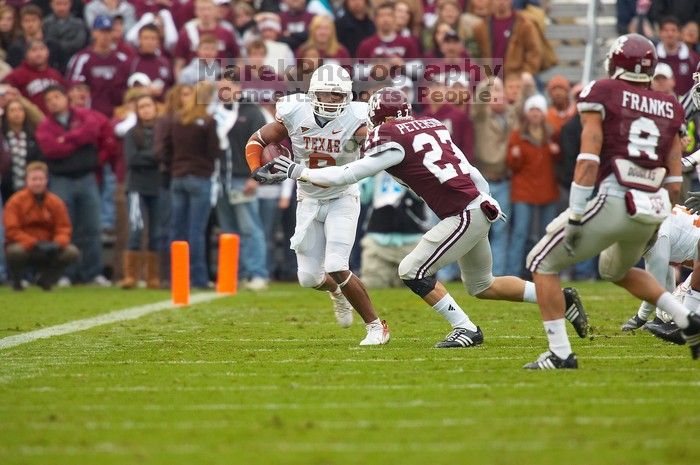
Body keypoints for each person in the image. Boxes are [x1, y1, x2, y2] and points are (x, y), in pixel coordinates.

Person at [267, 87, 587, 348]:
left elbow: (348, 174)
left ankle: (466, 329)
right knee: (482, 285)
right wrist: (484, 199)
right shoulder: (432, 125)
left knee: (412, 270)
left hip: (461, 213)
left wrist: (298, 170)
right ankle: (558, 297)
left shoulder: (389, 136)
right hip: (478, 204)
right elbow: (471, 170)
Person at [525, 34, 700, 369]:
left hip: (615, 198)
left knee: (540, 262)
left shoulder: (603, 91)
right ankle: (686, 318)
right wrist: (657, 217)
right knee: (614, 269)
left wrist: (576, 212)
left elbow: (589, 158)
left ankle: (560, 353)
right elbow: (675, 180)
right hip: (654, 207)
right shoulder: (671, 106)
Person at [245, 63, 390, 346]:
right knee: (309, 278)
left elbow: (380, 145)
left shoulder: (357, 119)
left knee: (336, 263)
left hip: (342, 197)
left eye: (337, 96)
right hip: (308, 199)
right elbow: (257, 140)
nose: (331, 100)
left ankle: (375, 326)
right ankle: (337, 293)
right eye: (325, 94)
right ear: (313, 93)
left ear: (347, 97)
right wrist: (255, 168)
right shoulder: (294, 112)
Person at [35, 85, 109, 285]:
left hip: (87, 178)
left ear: (65, 97)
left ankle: (93, 273)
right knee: (65, 228)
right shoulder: (44, 126)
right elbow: (51, 149)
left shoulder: (85, 115)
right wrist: (76, 140)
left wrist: (66, 139)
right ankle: (67, 274)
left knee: (93, 228)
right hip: (61, 180)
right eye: (49, 100)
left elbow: (92, 132)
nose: (54, 102)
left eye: (57, 97)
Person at [158, 82, 220, 289]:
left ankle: (175, 277)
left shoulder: (175, 121)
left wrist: (172, 166)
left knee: (177, 230)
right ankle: (199, 278)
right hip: (200, 178)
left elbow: (164, 149)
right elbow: (214, 150)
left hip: (178, 177)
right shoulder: (208, 121)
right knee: (196, 231)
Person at [213, 77, 270, 291]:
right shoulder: (216, 112)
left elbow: (264, 146)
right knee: (228, 230)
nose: (224, 92)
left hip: (241, 178)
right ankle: (236, 274)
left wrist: (254, 176)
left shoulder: (251, 112)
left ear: (238, 87)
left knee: (250, 227)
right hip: (219, 180)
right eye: (220, 88)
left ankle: (257, 273)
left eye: (228, 87)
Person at [620, 205, 700, 342]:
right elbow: (665, 272)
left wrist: (640, 318)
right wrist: (660, 318)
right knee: (667, 311)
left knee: (675, 312)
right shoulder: (655, 218)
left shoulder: (658, 235)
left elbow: (655, 286)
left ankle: (684, 327)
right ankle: (665, 320)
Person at [506, 94, 560, 278]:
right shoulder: (517, 135)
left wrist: (556, 153)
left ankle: (546, 271)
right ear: (527, 113)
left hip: (547, 189)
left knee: (548, 233)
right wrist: (515, 156)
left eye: (538, 110)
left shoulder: (551, 134)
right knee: (521, 233)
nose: (535, 113)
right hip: (523, 190)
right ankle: (514, 273)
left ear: (543, 113)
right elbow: (512, 165)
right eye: (532, 110)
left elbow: (561, 161)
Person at [3, 161, 79, 290]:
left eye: (40, 179)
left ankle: (46, 280)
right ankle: (17, 281)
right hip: (26, 247)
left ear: (46, 180)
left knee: (71, 252)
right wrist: (33, 243)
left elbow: (64, 227)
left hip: (49, 247)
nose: (37, 182)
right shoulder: (15, 202)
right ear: (27, 180)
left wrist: (57, 243)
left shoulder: (56, 202)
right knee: (14, 252)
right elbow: (11, 230)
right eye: (34, 179)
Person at [471, 77, 518, 277]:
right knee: (475, 230)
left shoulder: (511, 117)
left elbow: (524, 101)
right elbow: (479, 103)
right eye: (494, 94)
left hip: (504, 179)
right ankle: (471, 272)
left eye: (501, 93)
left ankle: (498, 274)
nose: (497, 97)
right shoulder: (481, 116)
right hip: (483, 181)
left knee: (501, 230)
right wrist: (488, 83)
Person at [121, 94, 162, 289]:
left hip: (158, 185)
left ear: (155, 108)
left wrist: (148, 157)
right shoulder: (131, 133)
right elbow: (132, 159)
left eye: (148, 106)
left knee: (156, 231)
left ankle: (152, 276)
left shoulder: (162, 131)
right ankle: (131, 276)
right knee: (136, 229)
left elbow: (165, 155)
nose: (145, 109)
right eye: (141, 106)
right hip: (136, 186)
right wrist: (154, 157)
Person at [360, 171, 426, 288]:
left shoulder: (416, 166)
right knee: (373, 286)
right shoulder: (375, 168)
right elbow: (363, 196)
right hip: (377, 241)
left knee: (417, 288)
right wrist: (370, 173)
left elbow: (425, 195)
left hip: (413, 242)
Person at [65, 15, 128, 117]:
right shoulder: (82, 59)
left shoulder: (122, 59)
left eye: (108, 31)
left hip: (118, 114)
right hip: (91, 114)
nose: (105, 36)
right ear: (94, 32)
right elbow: (74, 89)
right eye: (102, 31)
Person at [473, 0, 541, 76]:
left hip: (516, 77)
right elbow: (476, 54)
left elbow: (534, 52)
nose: (501, 2)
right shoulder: (481, 27)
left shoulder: (524, 25)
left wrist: (526, 72)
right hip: (490, 78)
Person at [173, 0, 239, 77]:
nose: (205, 13)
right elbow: (179, 64)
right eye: (202, 9)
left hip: (219, 81)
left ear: (216, 10)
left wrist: (230, 77)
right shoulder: (187, 33)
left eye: (209, 9)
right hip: (194, 81)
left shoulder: (226, 32)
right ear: (196, 11)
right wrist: (181, 84)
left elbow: (239, 58)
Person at [3, 40, 65, 114]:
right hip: (29, 120)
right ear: (26, 54)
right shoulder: (17, 74)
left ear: (47, 52)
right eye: (34, 50)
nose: (39, 53)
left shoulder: (55, 74)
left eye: (42, 49)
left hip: (55, 120)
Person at [1, 99, 44, 201]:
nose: (17, 113)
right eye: (12, 110)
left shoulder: (33, 136)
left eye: (20, 110)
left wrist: (19, 97)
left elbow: (41, 119)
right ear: (6, 114)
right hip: (6, 188)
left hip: (31, 188)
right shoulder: (2, 137)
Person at [656, 16, 699, 96]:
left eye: (673, 30)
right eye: (666, 30)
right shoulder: (653, 57)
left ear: (680, 33)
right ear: (660, 33)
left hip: (685, 106)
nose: (670, 34)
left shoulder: (694, 59)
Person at [43, 0, 88, 65]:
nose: (61, 8)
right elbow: (46, 41)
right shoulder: (45, 23)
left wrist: (57, 46)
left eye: (65, 4)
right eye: (58, 4)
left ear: (70, 4)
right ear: (51, 5)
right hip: (51, 60)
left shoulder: (79, 23)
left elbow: (79, 43)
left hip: (73, 58)